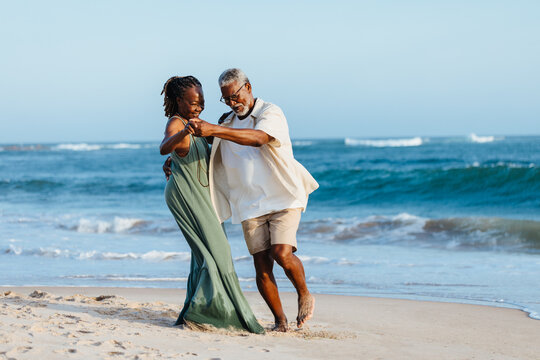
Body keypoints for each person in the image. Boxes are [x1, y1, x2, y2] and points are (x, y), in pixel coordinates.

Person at [165, 69, 319, 331]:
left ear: (248, 87)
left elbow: (259, 139)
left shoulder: (270, 112)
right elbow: (202, 146)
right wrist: (176, 161)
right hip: (250, 203)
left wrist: (215, 129)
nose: (232, 103)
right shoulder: (226, 121)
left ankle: (304, 292)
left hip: (283, 197)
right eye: (226, 99)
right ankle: (280, 322)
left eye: (234, 96)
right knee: (261, 265)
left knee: (281, 253)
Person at [159, 75, 264, 334]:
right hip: (186, 194)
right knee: (217, 255)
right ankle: (221, 313)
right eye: (193, 103)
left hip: (205, 196)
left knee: (205, 256)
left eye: (202, 102)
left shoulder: (198, 124)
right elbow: (164, 147)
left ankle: (196, 312)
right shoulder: (176, 122)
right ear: (178, 101)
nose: (198, 107)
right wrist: (183, 134)